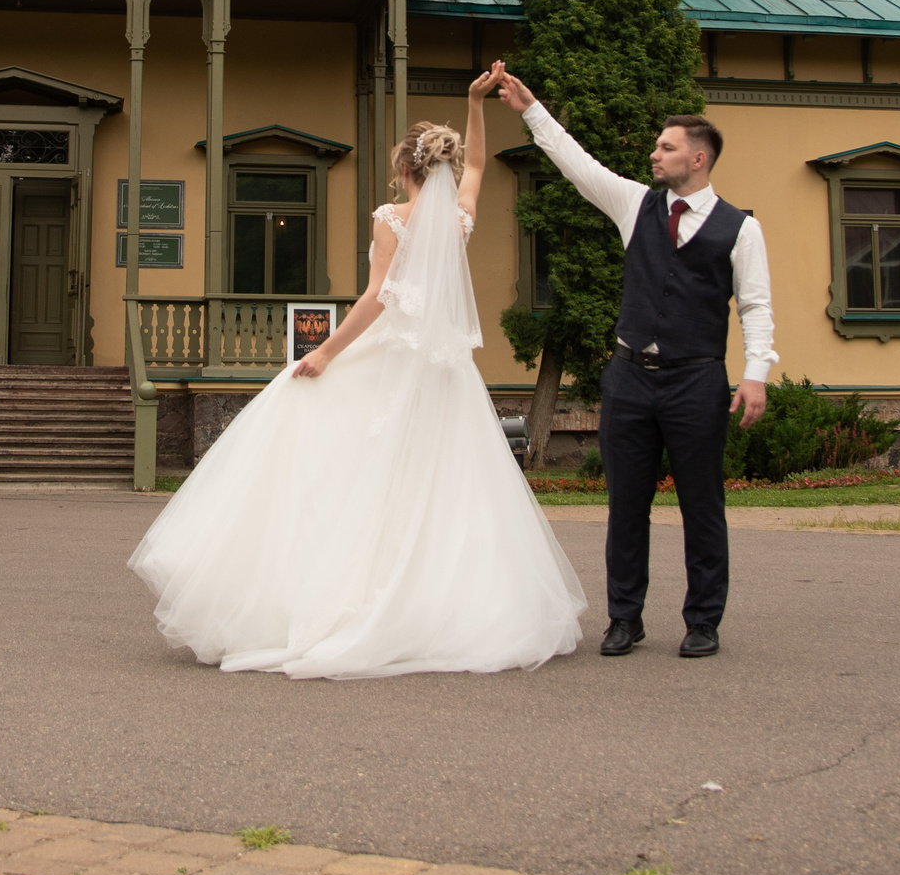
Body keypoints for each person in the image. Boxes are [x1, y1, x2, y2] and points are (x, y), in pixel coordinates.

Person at [128, 68, 587, 679]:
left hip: (396, 359)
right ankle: (444, 606)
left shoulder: (392, 219)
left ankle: (340, 596)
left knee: (344, 459)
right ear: (445, 173)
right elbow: (477, 166)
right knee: (446, 483)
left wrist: (324, 352)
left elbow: (375, 299)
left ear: (404, 170)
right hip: (448, 373)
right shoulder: (460, 218)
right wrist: (476, 104)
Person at [491, 63, 776, 660]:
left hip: (697, 379)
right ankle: (625, 618)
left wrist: (755, 375)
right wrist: (529, 108)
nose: (655, 154)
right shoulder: (635, 206)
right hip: (628, 377)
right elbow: (579, 164)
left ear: (697, 158)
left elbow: (755, 305)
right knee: (625, 506)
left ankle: (703, 621)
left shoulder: (740, 230)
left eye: (666, 147)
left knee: (703, 506)